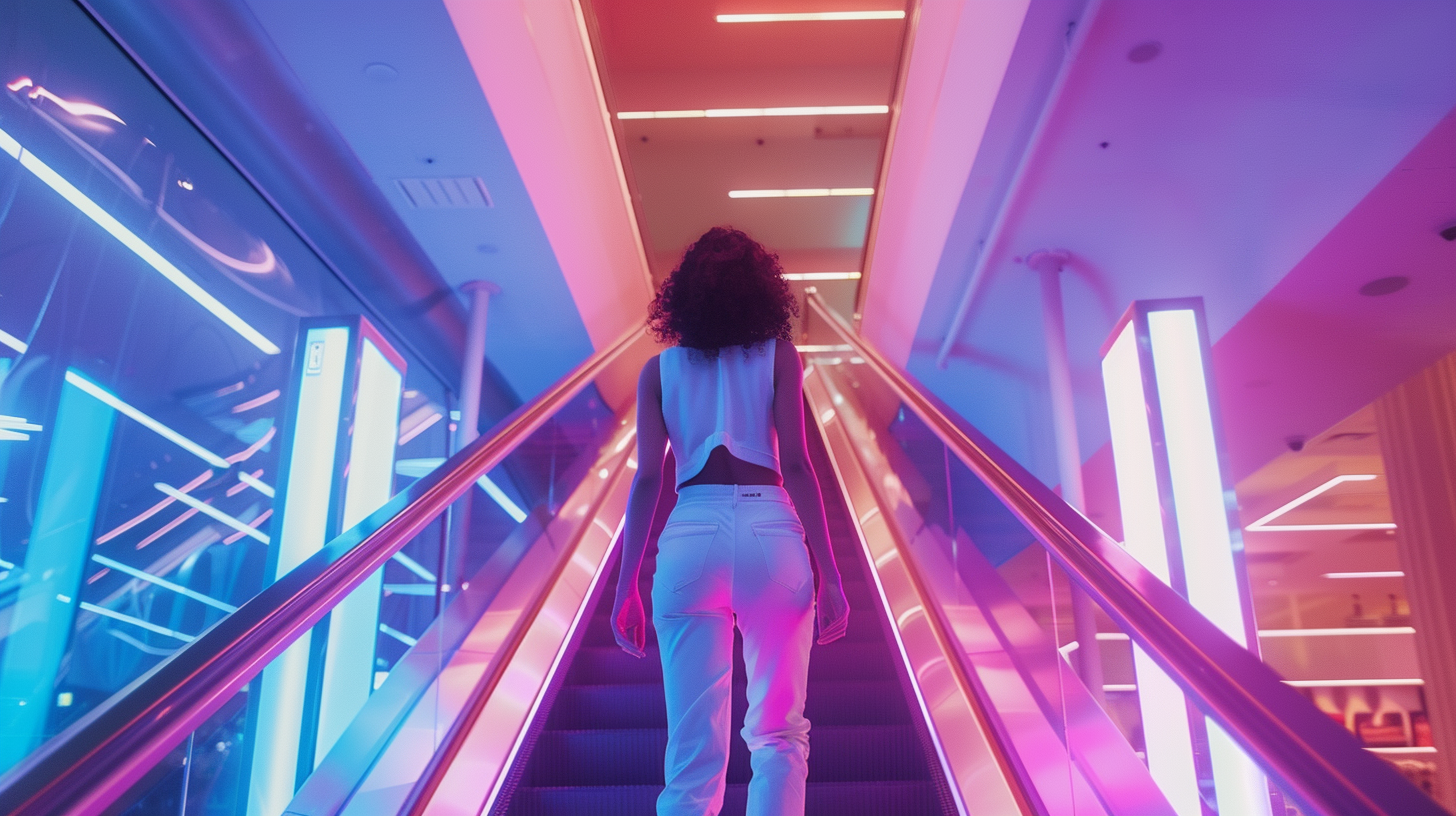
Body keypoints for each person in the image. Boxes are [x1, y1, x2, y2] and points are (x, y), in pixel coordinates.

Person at [611, 226, 851, 816]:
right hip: (771, 532)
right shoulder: (779, 357)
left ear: (683, 294)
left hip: (690, 535)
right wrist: (833, 572)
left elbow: (647, 480)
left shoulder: (658, 371)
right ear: (759, 290)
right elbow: (795, 463)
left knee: (691, 753)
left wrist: (625, 587)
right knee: (777, 733)